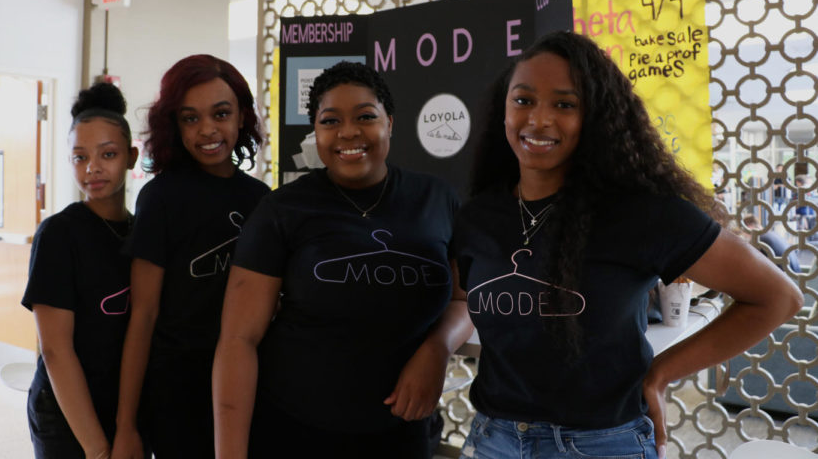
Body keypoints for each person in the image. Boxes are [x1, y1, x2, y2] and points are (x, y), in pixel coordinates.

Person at [451, 31, 803, 459]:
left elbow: (776, 297)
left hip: (601, 444)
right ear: (503, 110)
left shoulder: (639, 213)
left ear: (595, 115)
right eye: (523, 100)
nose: (539, 120)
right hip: (495, 440)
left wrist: (661, 374)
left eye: (565, 104)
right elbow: (463, 302)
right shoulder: (477, 217)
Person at [212, 61, 473, 459]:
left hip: (403, 434)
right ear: (315, 131)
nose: (348, 132)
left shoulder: (437, 200)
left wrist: (437, 348)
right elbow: (238, 341)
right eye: (330, 120)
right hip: (295, 433)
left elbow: (463, 297)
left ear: (391, 122)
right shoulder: (283, 210)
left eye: (366, 117)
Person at [111, 55, 270, 459]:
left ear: (241, 117)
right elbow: (143, 316)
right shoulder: (161, 198)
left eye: (221, 113)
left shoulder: (262, 201)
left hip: (252, 387)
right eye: (190, 118)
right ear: (173, 125)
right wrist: (126, 424)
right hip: (178, 394)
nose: (208, 130)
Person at [21, 82, 140, 458]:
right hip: (65, 412)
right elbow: (55, 350)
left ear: (131, 156)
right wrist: (96, 448)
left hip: (120, 410)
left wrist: (127, 426)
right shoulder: (58, 235)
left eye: (108, 154)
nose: (92, 168)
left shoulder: (142, 234)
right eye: (79, 157)